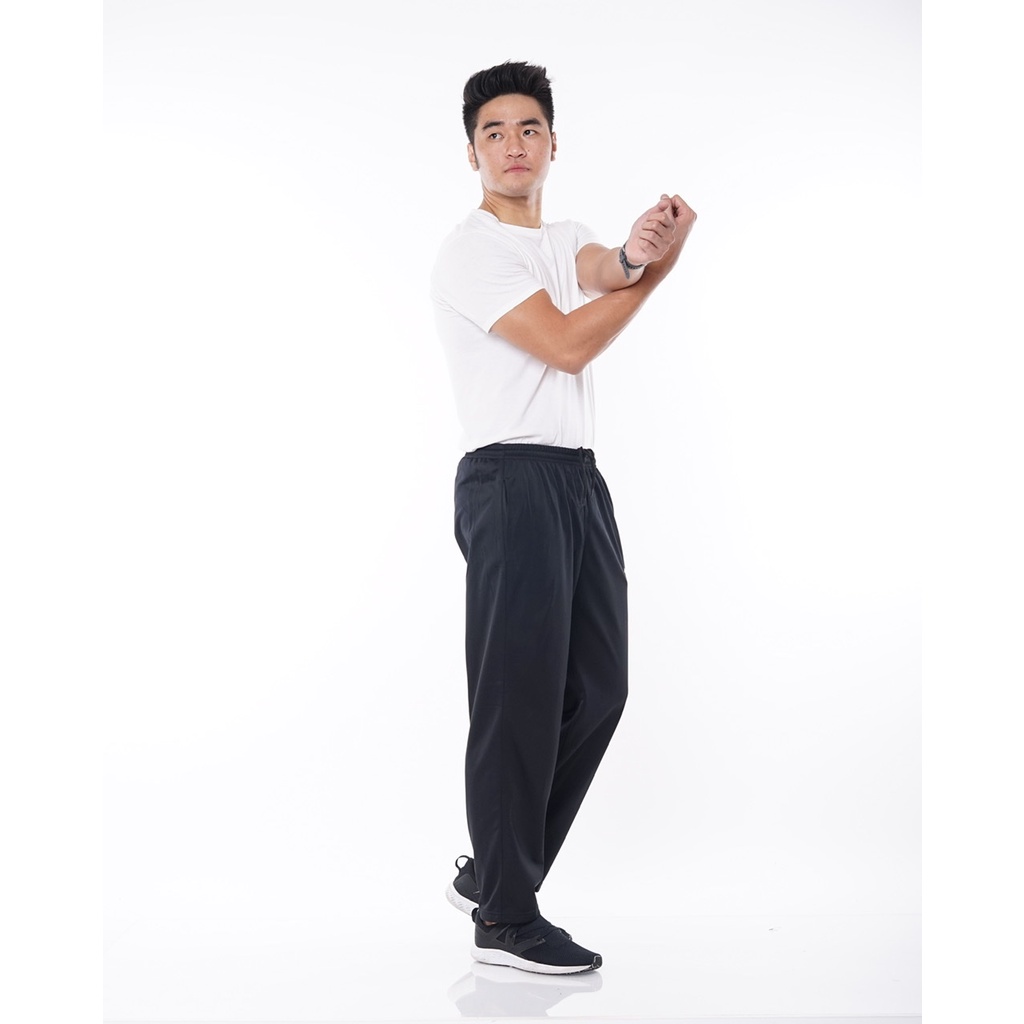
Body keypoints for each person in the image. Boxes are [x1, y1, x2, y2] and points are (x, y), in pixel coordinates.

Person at [431, 60, 696, 975]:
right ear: (471, 151)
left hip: (578, 480)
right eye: (494, 131)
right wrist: (657, 278)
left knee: (599, 687)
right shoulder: (472, 252)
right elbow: (569, 344)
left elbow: (605, 266)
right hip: (510, 480)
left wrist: (642, 249)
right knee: (518, 701)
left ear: (552, 143)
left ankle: (496, 871)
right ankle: (505, 918)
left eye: (530, 128)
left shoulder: (565, 238)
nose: (513, 144)